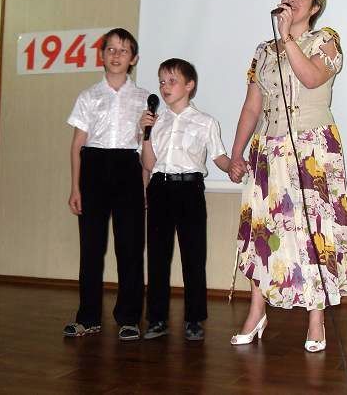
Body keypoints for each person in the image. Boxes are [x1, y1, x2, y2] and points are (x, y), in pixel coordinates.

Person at [228, 0, 347, 352]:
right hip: (269, 149)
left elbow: (313, 78)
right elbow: (252, 106)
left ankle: (316, 318)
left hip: (312, 148)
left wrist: (287, 38)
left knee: (314, 231)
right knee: (262, 230)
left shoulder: (326, 40)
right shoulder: (263, 51)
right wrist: (236, 153)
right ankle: (256, 311)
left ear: (315, 6)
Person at [64, 28, 148, 341]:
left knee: (130, 247)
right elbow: (77, 146)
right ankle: (88, 318)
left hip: (128, 168)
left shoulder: (144, 98)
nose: (116, 55)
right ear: (102, 55)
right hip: (94, 168)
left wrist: (144, 186)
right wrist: (75, 187)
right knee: (91, 248)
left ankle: (129, 318)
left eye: (123, 50)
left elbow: (145, 147)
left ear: (133, 59)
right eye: (110, 49)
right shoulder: (88, 96)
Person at [140, 58, 231, 341]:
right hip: (159, 188)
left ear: (189, 85)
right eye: (161, 82)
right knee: (157, 256)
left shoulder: (205, 122)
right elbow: (148, 163)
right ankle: (157, 318)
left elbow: (219, 157)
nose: (165, 87)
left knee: (193, 255)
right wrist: (144, 134)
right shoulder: (156, 122)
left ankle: (194, 319)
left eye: (172, 81)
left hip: (190, 189)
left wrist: (235, 167)